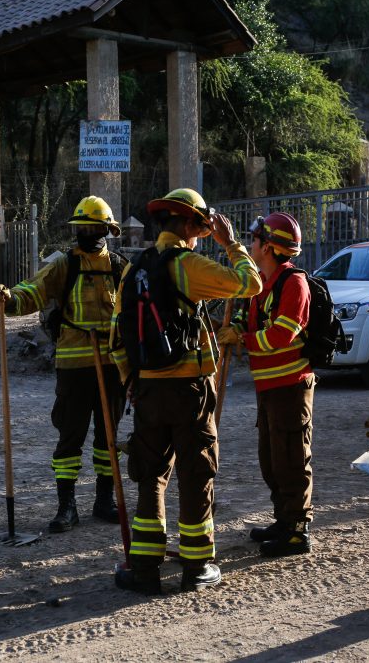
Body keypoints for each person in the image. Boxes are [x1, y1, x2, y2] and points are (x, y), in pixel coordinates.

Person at [110, 188, 262, 595]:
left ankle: (144, 569)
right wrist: (230, 243)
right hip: (189, 390)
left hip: (146, 391)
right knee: (196, 474)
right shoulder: (188, 264)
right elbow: (251, 283)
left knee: (151, 475)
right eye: (201, 225)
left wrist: (131, 382)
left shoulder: (133, 268)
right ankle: (196, 566)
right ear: (194, 225)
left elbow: (116, 335)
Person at [0, 197, 125, 533]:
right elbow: (34, 290)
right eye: (82, 228)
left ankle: (104, 500)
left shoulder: (121, 269)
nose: (87, 233)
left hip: (112, 364)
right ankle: (67, 507)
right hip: (73, 366)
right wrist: (10, 299)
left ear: (107, 230)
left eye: (93, 228)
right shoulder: (65, 265)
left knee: (108, 437)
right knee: (70, 437)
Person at [217, 212, 316, 558]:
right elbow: (248, 318)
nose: (252, 243)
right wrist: (233, 327)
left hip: (291, 386)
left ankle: (298, 531)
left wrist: (242, 340)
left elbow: (281, 334)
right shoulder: (260, 283)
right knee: (271, 459)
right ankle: (283, 520)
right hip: (269, 387)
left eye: (257, 239)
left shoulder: (294, 285)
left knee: (291, 458)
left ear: (271, 247)